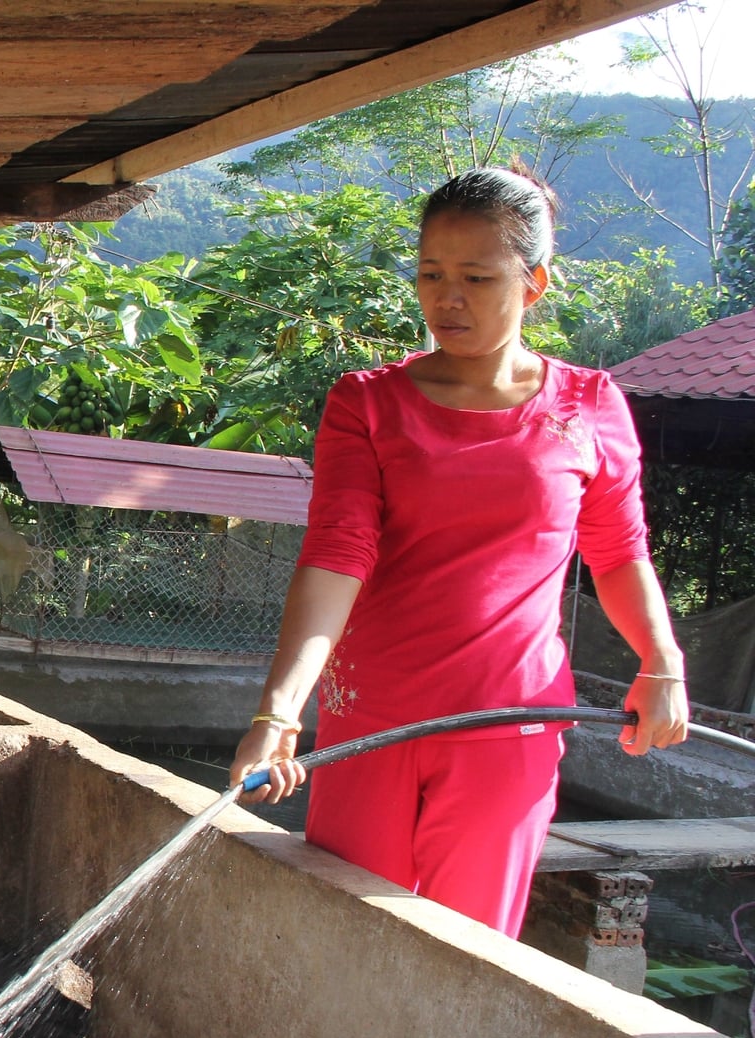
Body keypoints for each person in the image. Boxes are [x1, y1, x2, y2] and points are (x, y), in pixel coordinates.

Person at [229, 166, 690, 938]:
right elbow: (338, 555)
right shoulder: (367, 402)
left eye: (476, 277)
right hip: (372, 723)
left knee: (470, 952)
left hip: (508, 729)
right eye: (431, 275)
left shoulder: (588, 405)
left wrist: (662, 664)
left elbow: (618, 553)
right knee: (348, 938)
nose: (447, 299)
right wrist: (279, 711)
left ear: (535, 283)